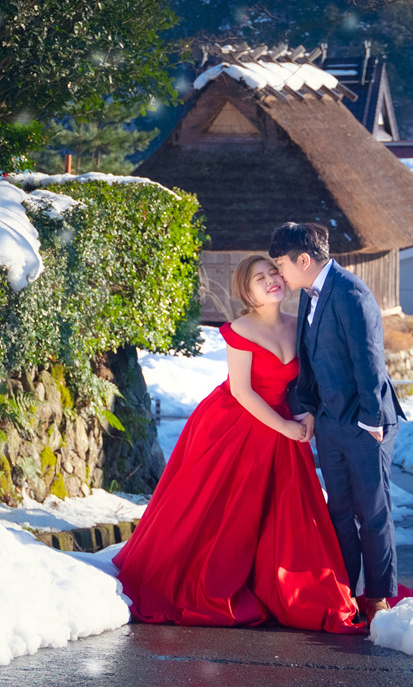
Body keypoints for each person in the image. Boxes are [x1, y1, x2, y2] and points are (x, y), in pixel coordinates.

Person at [113, 253, 363, 633]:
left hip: (283, 426)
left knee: (283, 514)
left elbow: (306, 383)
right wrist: (283, 426)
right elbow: (243, 391)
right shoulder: (241, 329)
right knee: (225, 511)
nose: (271, 281)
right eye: (259, 279)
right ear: (247, 292)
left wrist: (309, 414)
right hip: (233, 424)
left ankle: (280, 589)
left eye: (274, 273)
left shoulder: (299, 326)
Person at [270, 219, 401, 623]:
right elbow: (311, 360)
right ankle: (344, 592)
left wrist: (372, 420)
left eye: (281, 265)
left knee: (372, 512)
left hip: (365, 423)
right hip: (329, 421)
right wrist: (308, 408)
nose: (279, 273)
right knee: (339, 511)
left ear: (304, 259)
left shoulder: (350, 293)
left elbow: (369, 361)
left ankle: (378, 597)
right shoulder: (310, 294)